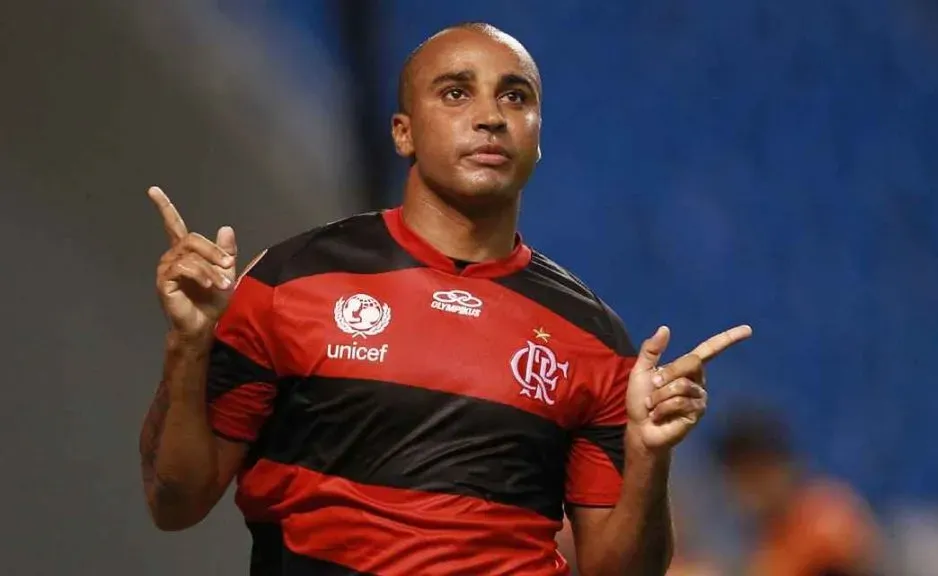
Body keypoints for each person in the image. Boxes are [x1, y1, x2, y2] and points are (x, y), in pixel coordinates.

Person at [139, 22, 752, 576]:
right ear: (403, 133)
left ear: (537, 138)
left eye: (515, 96)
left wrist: (649, 458)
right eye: (457, 93)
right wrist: (188, 346)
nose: (491, 116)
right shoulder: (290, 281)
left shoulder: (593, 339)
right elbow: (176, 501)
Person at [712, 409, 880, 576]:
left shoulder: (827, 519)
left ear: (782, 467)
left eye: (755, 473)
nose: (748, 490)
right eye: (738, 476)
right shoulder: (757, 537)